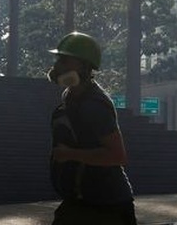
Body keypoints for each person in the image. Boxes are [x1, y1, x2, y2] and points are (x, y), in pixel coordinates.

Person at [47, 32, 136, 225]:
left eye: (64, 60)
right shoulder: (71, 95)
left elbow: (117, 155)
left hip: (107, 207)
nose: (57, 66)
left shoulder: (94, 105)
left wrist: (69, 154)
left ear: (82, 65)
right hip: (81, 201)